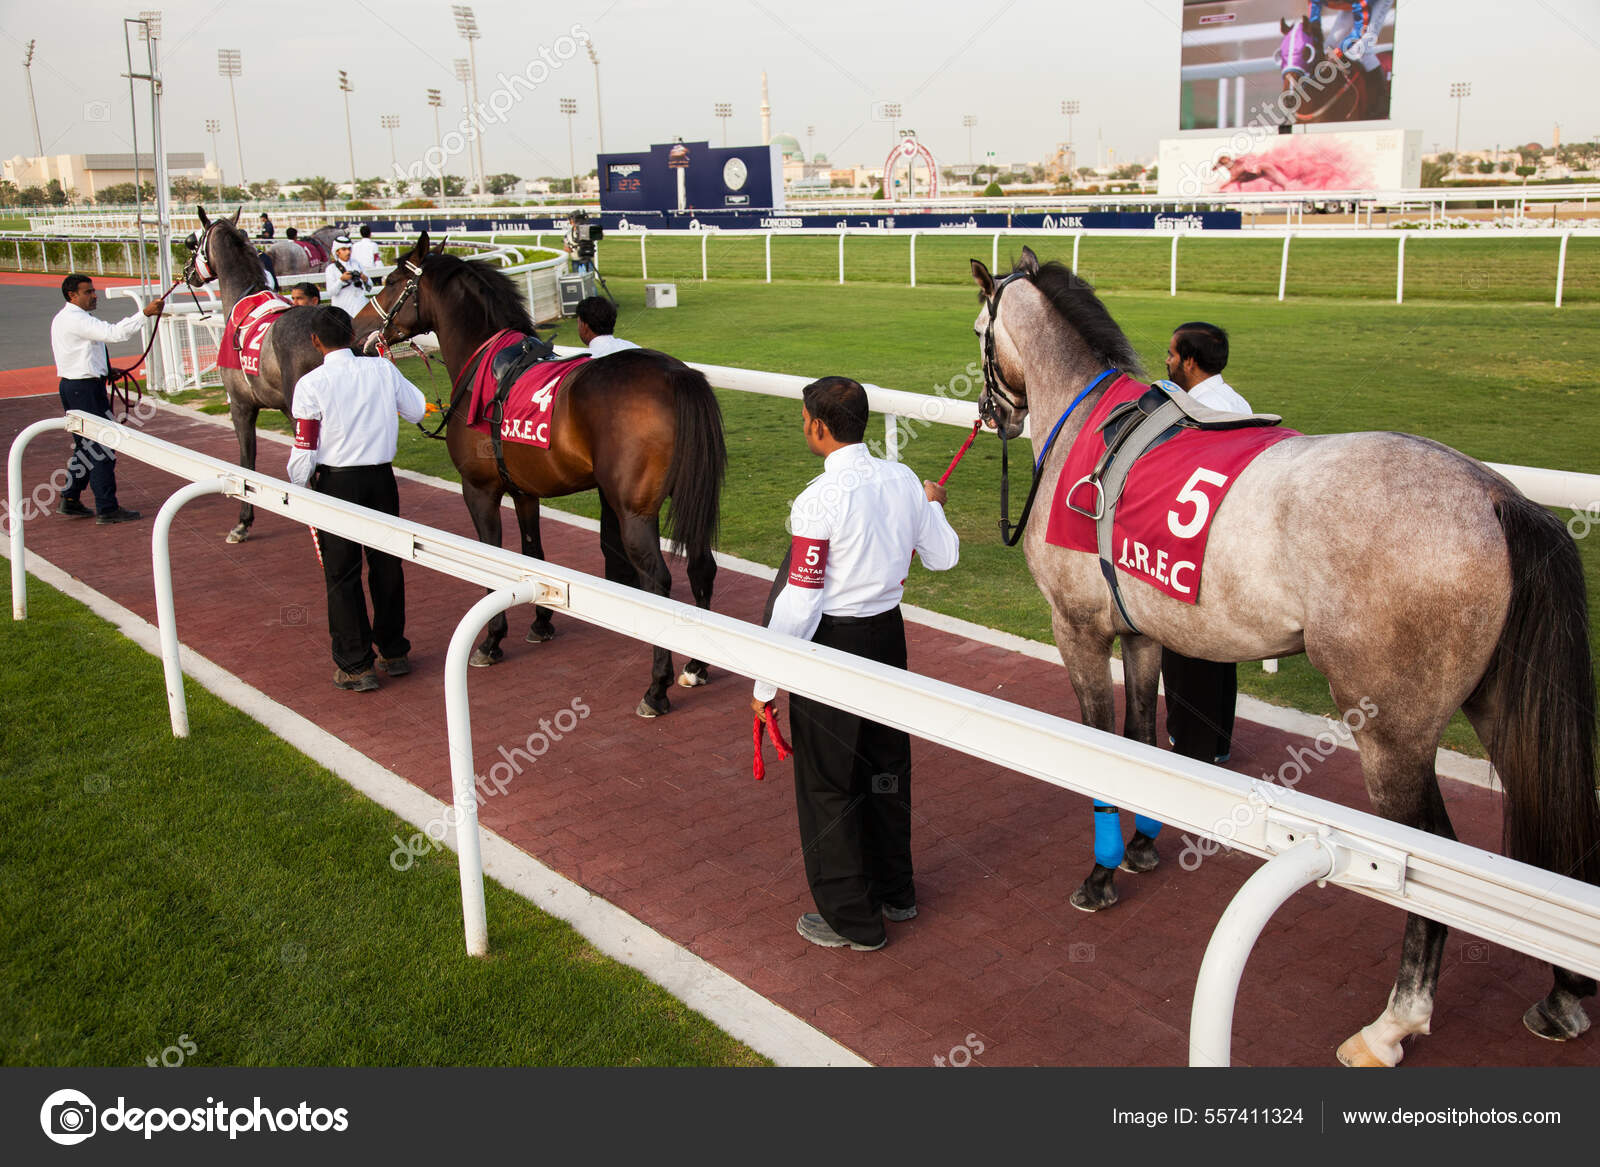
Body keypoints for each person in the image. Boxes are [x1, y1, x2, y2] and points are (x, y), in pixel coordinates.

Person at [752, 376, 960, 951]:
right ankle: (897, 893)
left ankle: (851, 919)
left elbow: (800, 599)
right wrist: (932, 507)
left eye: (803, 420)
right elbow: (943, 558)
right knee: (886, 767)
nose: (803, 427)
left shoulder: (816, 500)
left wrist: (766, 682)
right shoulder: (902, 480)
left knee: (829, 784)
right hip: (888, 641)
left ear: (819, 427)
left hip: (833, 647)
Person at [286, 307, 428, 691]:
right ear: (351, 334)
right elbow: (417, 410)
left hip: (337, 484)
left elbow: (305, 448)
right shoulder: (381, 369)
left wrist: (297, 486)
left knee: (342, 575)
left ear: (315, 341)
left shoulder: (311, 384)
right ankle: (394, 651)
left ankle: (356, 664)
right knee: (386, 567)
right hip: (382, 480)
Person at [1161, 321, 1246, 764]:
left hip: (1193, 545)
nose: (1167, 359)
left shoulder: (1194, 411)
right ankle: (1216, 743)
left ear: (1191, 361)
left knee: (1185, 647)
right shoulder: (1234, 401)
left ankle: (1190, 745)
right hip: (1223, 542)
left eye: (1172, 354)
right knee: (1219, 651)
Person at [49, 274, 163, 524]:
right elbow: (113, 334)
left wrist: (104, 370)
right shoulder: (75, 319)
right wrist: (145, 314)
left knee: (86, 447)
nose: (94, 295)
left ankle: (70, 499)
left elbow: (84, 351)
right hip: (83, 390)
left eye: (93, 291)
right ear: (73, 296)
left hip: (78, 386)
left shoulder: (69, 318)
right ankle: (107, 508)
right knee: (100, 447)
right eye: (88, 292)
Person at [324, 236, 369, 317]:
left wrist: (365, 279)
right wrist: (341, 280)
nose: (348, 252)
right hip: (342, 309)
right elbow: (331, 292)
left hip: (359, 307)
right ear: (337, 252)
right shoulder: (331, 269)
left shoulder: (357, 264)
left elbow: (369, 288)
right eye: (344, 249)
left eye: (349, 249)